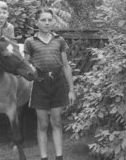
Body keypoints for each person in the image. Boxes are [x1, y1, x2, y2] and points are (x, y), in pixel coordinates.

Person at [24, 8, 76, 160]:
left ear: (52, 21)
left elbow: (66, 66)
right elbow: (26, 66)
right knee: (42, 124)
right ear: (37, 22)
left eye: (49, 20)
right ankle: (44, 157)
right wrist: (31, 69)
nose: (47, 23)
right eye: (43, 20)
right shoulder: (30, 42)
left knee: (57, 121)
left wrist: (71, 90)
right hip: (40, 85)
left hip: (57, 84)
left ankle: (59, 156)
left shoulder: (59, 41)